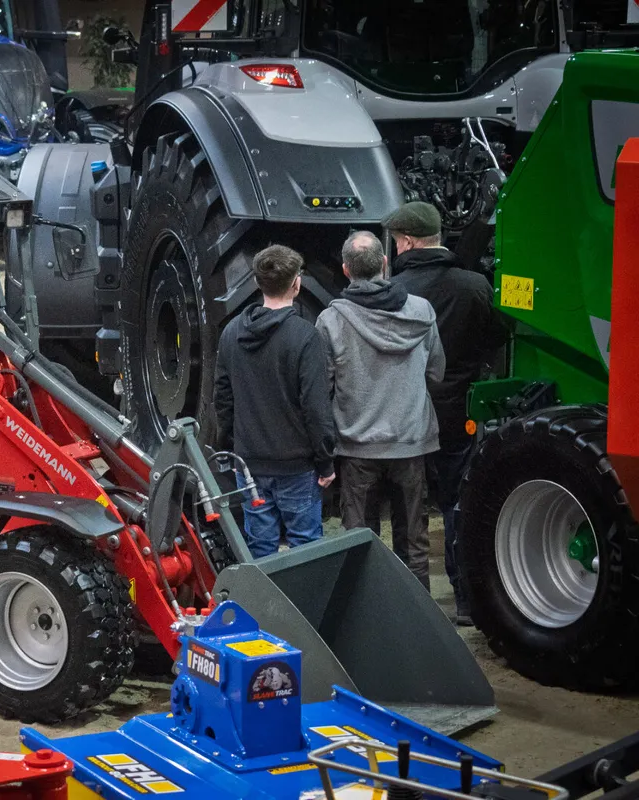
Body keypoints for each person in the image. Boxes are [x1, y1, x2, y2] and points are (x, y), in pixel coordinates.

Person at [386, 201, 508, 623]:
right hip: (458, 411)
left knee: (409, 508)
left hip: (406, 414)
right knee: (457, 503)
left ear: (406, 241)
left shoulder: (394, 291)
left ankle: (409, 603)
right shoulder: (474, 285)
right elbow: (496, 336)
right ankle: (465, 601)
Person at [316, 231, 445, 589]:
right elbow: (437, 371)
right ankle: (419, 626)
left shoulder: (331, 321)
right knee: (414, 545)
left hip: (357, 449)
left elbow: (322, 388)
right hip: (411, 442)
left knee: (359, 544)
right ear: (385, 264)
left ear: (345, 270)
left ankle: (364, 623)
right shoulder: (421, 312)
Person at [214, 245, 337, 557]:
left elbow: (223, 399)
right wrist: (325, 462)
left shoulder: (231, 333)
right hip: (297, 468)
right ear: (296, 284)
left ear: (258, 283)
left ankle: (262, 608)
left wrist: (234, 447)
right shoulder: (305, 336)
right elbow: (315, 406)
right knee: (305, 551)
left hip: (250, 465)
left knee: (259, 550)